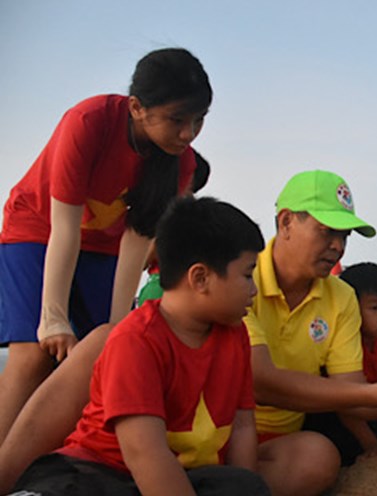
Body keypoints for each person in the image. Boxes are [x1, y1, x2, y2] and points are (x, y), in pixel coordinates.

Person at [0, 47, 212, 446]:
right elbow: (64, 228)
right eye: (177, 119)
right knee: (32, 355)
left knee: (97, 355)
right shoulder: (89, 121)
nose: (188, 134)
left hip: (105, 247)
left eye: (199, 121)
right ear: (136, 107)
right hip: (38, 229)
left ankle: (42, 465)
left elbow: (136, 245)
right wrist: (53, 316)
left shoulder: (180, 163)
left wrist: (118, 328)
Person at [9, 196, 269, 496]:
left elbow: (243, 426)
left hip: (168, 473)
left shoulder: (235, 337)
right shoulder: (137, 340)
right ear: (200, 278)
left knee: (243, 485)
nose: (253, 290)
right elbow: (145, 453)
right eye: (247, 275)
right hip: (97, 472)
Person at [244, 170, 377, 495]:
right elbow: (260, 381)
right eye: (327, 231)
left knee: (319, 459)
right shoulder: (242, 278)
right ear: (286, 222)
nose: (337, 246)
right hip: (223, 430)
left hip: (284, 441)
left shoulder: (340, 296)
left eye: (345, 236)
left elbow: (351, 393)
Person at [305, 262, 377, 465]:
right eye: (374, 307)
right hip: (336, 417)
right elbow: (345, 406)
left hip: (367, 411)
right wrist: (371, 445)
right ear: (351, 307)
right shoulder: (343, 346)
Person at [137, 151, 211, 306]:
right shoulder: (192, 212)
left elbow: (142, 262)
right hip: (179, 286)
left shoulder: (173, 210)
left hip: (167, 283)